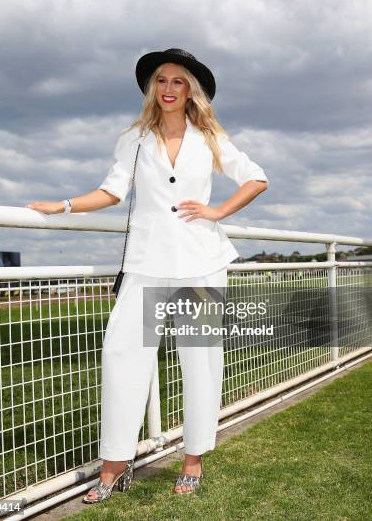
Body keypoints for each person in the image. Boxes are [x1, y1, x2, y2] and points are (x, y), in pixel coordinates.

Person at [26, 47, 269, 501]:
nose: (169, 88)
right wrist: (61, 205)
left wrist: (217, 211)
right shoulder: (134, 138)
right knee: (122, 359)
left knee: (200, 364)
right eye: (162, 80)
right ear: (152, 88)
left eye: (179, 81)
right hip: (145, 262)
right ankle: (114, 466)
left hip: (201, 262)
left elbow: (256, 178)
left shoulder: (211, 137)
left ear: (191, 89)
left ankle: (192, 460)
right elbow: (112, 191)